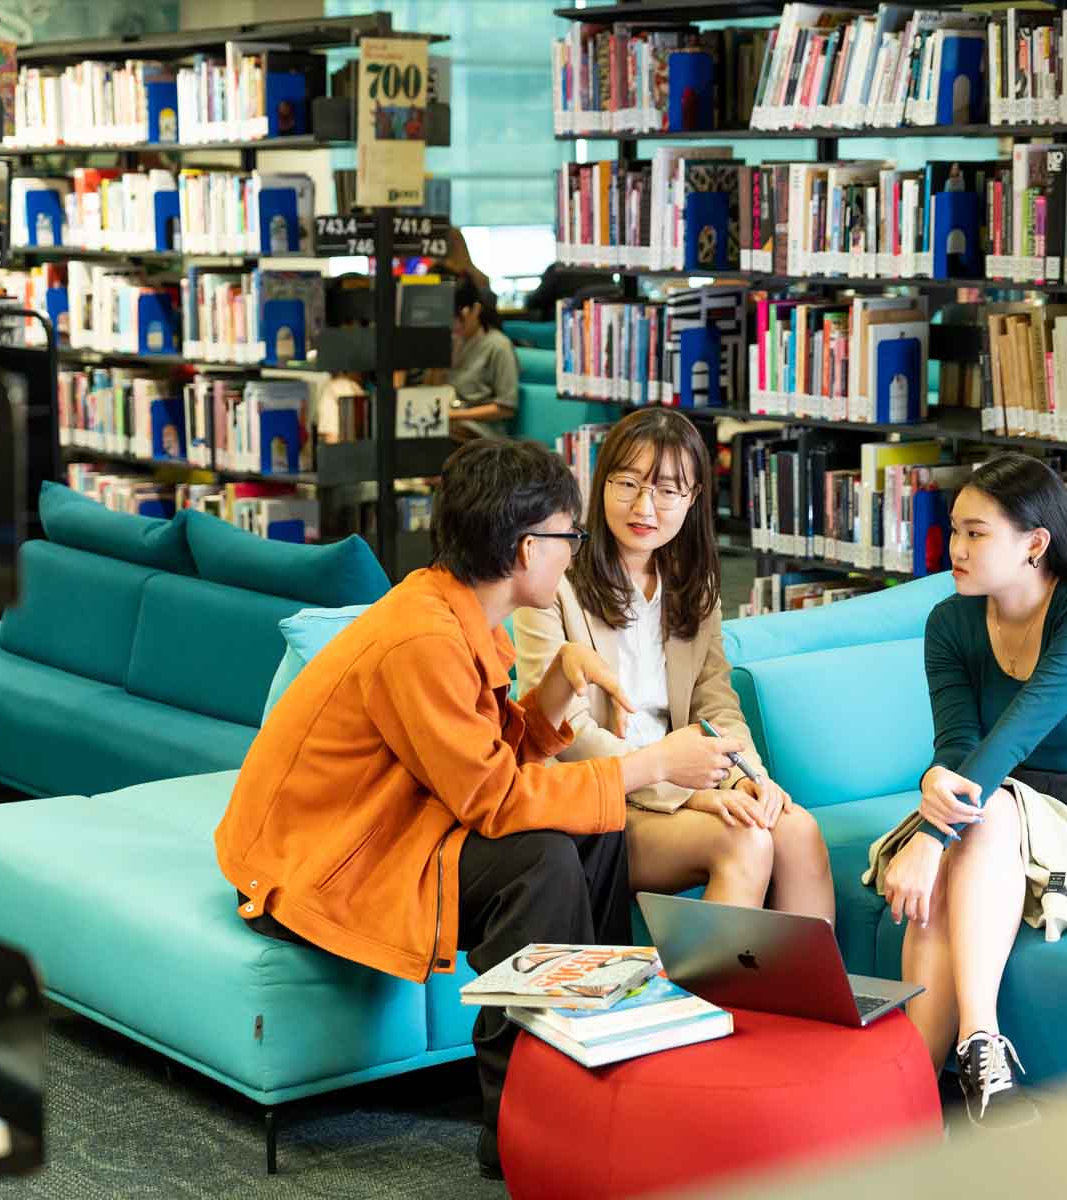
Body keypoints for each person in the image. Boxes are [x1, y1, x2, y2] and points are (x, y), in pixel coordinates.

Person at [213, 437, 745, 1179]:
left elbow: (489, 751)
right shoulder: (422, 639)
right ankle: (522, 1123)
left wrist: (560, 682)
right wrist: (649, 765)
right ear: (527, 550)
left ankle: (590, 1064)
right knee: (540, 856)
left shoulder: (458, 606)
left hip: (397, 824)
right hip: (318, 864)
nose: (575, 554)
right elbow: (492, 800)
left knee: (588, 829)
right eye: (569, 536)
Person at [877, 453, 1067, 1128]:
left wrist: (932, 833)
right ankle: (915, 1101)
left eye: (976, 533)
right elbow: (959, 745)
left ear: (1035, 544)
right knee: (965, 840)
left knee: (969, 827)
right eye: (953, 529)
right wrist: (939, 790)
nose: (954, 548)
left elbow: (1016, 731)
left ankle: (974, 1050)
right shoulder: (950, 623)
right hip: (995, 802)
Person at [514, 408, 835, 921]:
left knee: (798, 831)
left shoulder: (694, 583)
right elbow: (564, 733)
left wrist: (747, 779)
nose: (644, 506)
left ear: (693, 499)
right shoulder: (553, 582)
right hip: (603, 800)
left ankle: (808, 1004)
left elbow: (716, 702)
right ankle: (708, 1005)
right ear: (601, 484)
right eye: (627, 483)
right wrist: (688, 796)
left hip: (683, 782)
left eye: (667, 491)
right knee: (746, 842)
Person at [449, 276, 520, 439]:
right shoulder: (452, 341)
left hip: (482, 431)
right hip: (452, 423)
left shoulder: (498, 346)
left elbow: (506, 407)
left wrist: (455, 415)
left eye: (460, 319)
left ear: (476, 310)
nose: (455, 326)